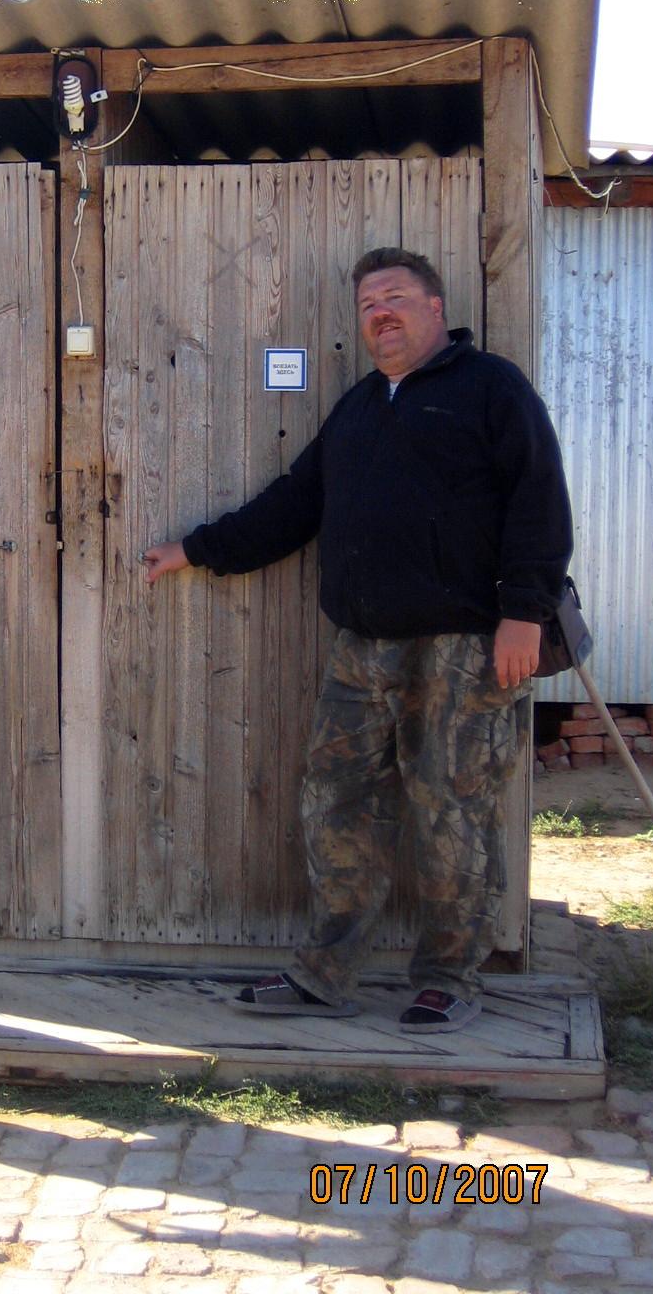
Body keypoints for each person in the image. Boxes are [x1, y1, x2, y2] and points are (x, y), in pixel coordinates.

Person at [143, 247, 572, 1033]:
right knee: (334, 803)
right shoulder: (359, 407)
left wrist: (526, 612)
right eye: (369, 304)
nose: (380, 313)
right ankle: (325, 972)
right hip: (361, 648)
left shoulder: (491, 388)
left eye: (396, 297)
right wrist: (197, 550)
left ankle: (450, 977)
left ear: (435, 308)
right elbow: (295, 503)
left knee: (453, 810)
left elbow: (539, 500)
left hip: (464, 648)